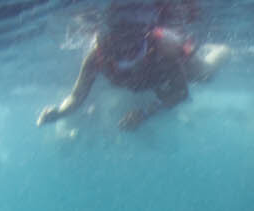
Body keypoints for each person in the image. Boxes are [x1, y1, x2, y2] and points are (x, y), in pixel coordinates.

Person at [38, 3, 230, 132]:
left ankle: (223, 49)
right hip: (144, 80)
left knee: (203, 74)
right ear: (106, 38)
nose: (125, 49)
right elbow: (76, 96)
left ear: (144, 36)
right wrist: (59, 112)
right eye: (118, 41)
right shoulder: (96, 57)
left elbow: (181, 93)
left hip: (168, 70)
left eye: (131, 41)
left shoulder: (164, 49)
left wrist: (146, 113)